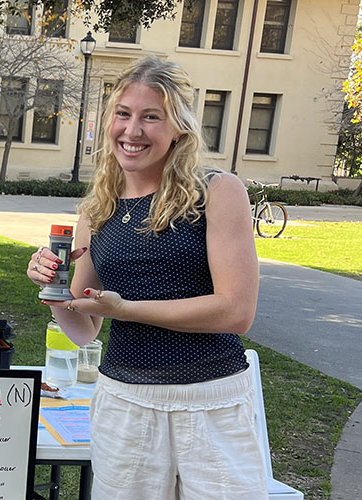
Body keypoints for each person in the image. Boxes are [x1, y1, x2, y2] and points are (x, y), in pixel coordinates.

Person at [27, 57, 265, 499]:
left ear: (178, 127)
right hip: (125, 405)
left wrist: (127, 310)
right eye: (123, 114)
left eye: (150, 117)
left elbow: (236, 311)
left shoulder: (216, 191)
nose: (132, 131)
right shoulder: (96, 211)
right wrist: (54, 290)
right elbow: (83, 331)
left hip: (210, 402)